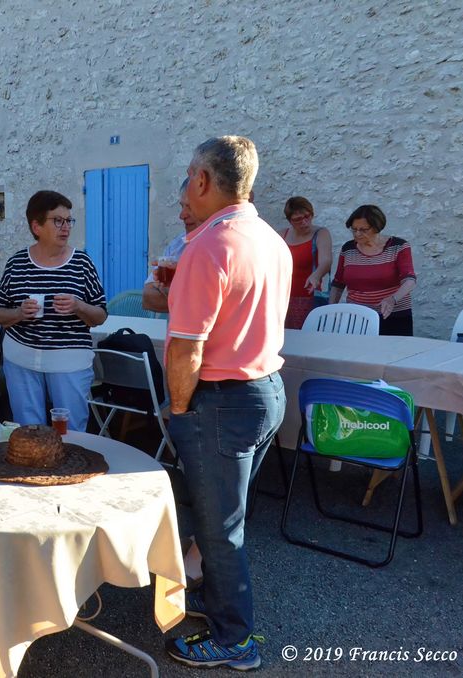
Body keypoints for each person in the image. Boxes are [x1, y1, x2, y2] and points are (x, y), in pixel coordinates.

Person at [164, 136, 290, 670]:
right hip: (266, 390)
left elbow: (187, 349)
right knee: (221, 517)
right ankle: (219, 607)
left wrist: (178, 409)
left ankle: (235, 641)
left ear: (202, 180)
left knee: (220, 531)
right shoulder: (270, 238)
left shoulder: (208, 245)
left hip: (224, 401)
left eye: (189, 177)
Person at [0, 190, 107, 431]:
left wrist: (78, 306)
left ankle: (71, 459)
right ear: (37, 226)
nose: (66, 228)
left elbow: (101, 315)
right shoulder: (17, 263)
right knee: (29, 432)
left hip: (69, 362)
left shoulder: (81, 263)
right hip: (21, 360)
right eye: (58, 221)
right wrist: (19, 313)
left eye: (68, 221)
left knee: (70, 432)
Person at [329, 204, 416, 336]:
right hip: (357, 317)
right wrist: (331, 311)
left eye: (363, 230)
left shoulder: (398, 246)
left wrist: (392, 299)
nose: (357, 234)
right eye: (354, 229)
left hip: (393, 316)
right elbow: (338, 283)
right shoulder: (348, 249)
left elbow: (410, 280)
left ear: (376, 227)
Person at [142, 178, 200, 314]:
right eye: (182, 206)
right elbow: (147, 298)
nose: (182, 215)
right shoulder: (178, 245)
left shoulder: (223, 246)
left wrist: (171, 292)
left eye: (190, 207)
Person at [280, 196, 332, 329]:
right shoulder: (282, 235)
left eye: (307, 217)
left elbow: (326, 260)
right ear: (290, 220)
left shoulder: (321, 233)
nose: (304, 222)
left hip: (309, 297)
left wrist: (316, 275)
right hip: (283, 297)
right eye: (298, 219)